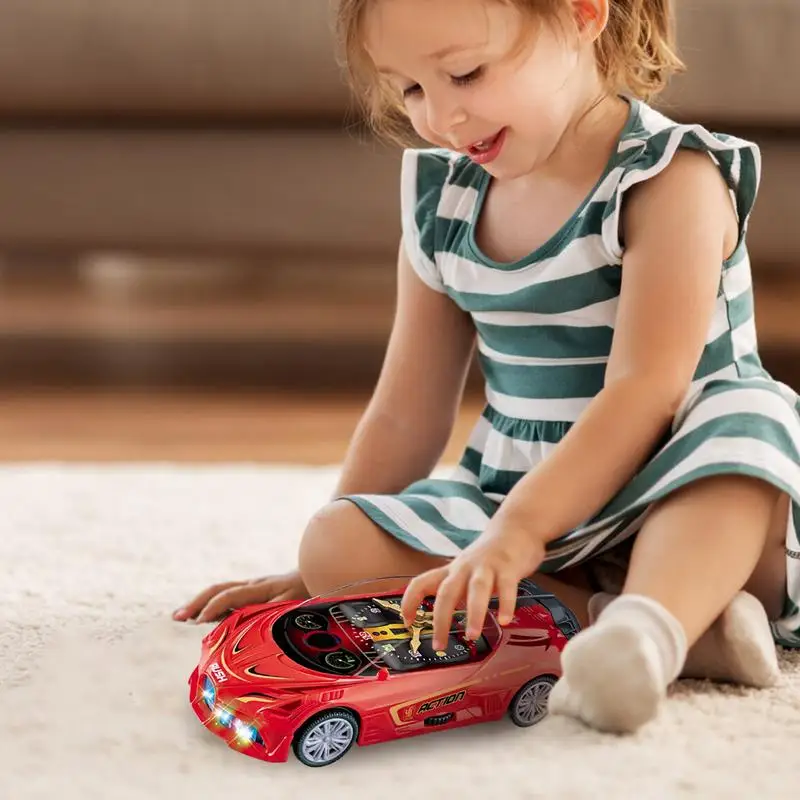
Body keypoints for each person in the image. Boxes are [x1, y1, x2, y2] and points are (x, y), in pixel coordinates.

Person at [174, 0, 800, 733]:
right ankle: (651, 625)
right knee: (334, 541)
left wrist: (520, 534)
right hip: (519, 500)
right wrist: (312, 579)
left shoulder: (671, 179)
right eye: (409, 88)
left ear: (582, 15)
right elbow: (407, 412)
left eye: (465, 73)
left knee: (749, 420)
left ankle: (655, 621)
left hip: (685, 488)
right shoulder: (445, 201)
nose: (439, 117)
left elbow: (647, 390)